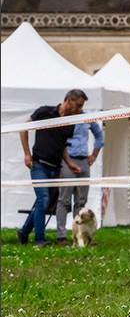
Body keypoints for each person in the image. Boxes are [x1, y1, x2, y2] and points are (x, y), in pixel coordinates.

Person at [17, 90, 88, 247]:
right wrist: (27, 154)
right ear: (69, 100)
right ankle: (39, 240)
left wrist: (69, 164)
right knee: (44, 200)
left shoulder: (71, 123)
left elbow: (62, 146)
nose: (80, 110)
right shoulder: (44, 111)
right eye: (78, 106)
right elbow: (23, 128)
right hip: (39, 165)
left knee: (43, 203)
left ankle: (23, 232)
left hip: (55, 168)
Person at [55, 118, 104, 244]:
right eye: (78, 104)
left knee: (81, 201)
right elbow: (58, 140)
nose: (79, 107)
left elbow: (99, 136)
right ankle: (61, 235)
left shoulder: (87, 118)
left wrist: (94, 154)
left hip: (84, 161)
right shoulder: (64, 119)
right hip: (67, 160)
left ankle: (82, 235)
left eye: (81, 105)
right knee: (64, 200)